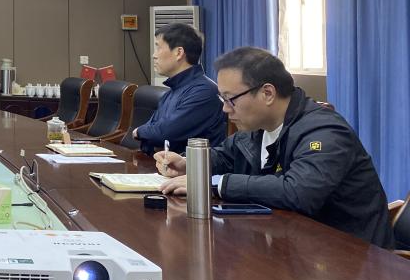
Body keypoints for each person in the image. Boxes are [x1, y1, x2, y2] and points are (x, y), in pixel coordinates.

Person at [156, 46, 394, 248]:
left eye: (230, 99)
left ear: (268, 93)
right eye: (223, 99)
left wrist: (215, 183)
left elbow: (298, 192)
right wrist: (188, 165)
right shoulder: (259, 128)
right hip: (291, 246)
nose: (225, 109)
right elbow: (225, 156)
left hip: (349, 256)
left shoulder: (325, 131)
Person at [131, 23, 227, 154]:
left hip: (191, 166)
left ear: (179, 53)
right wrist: (145, 133)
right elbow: (152, 130)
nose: (154, 55)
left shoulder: (203, 92)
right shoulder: (172, 91)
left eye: (158, 47)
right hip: (163, 163)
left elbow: (163, 133)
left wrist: (139, 132)